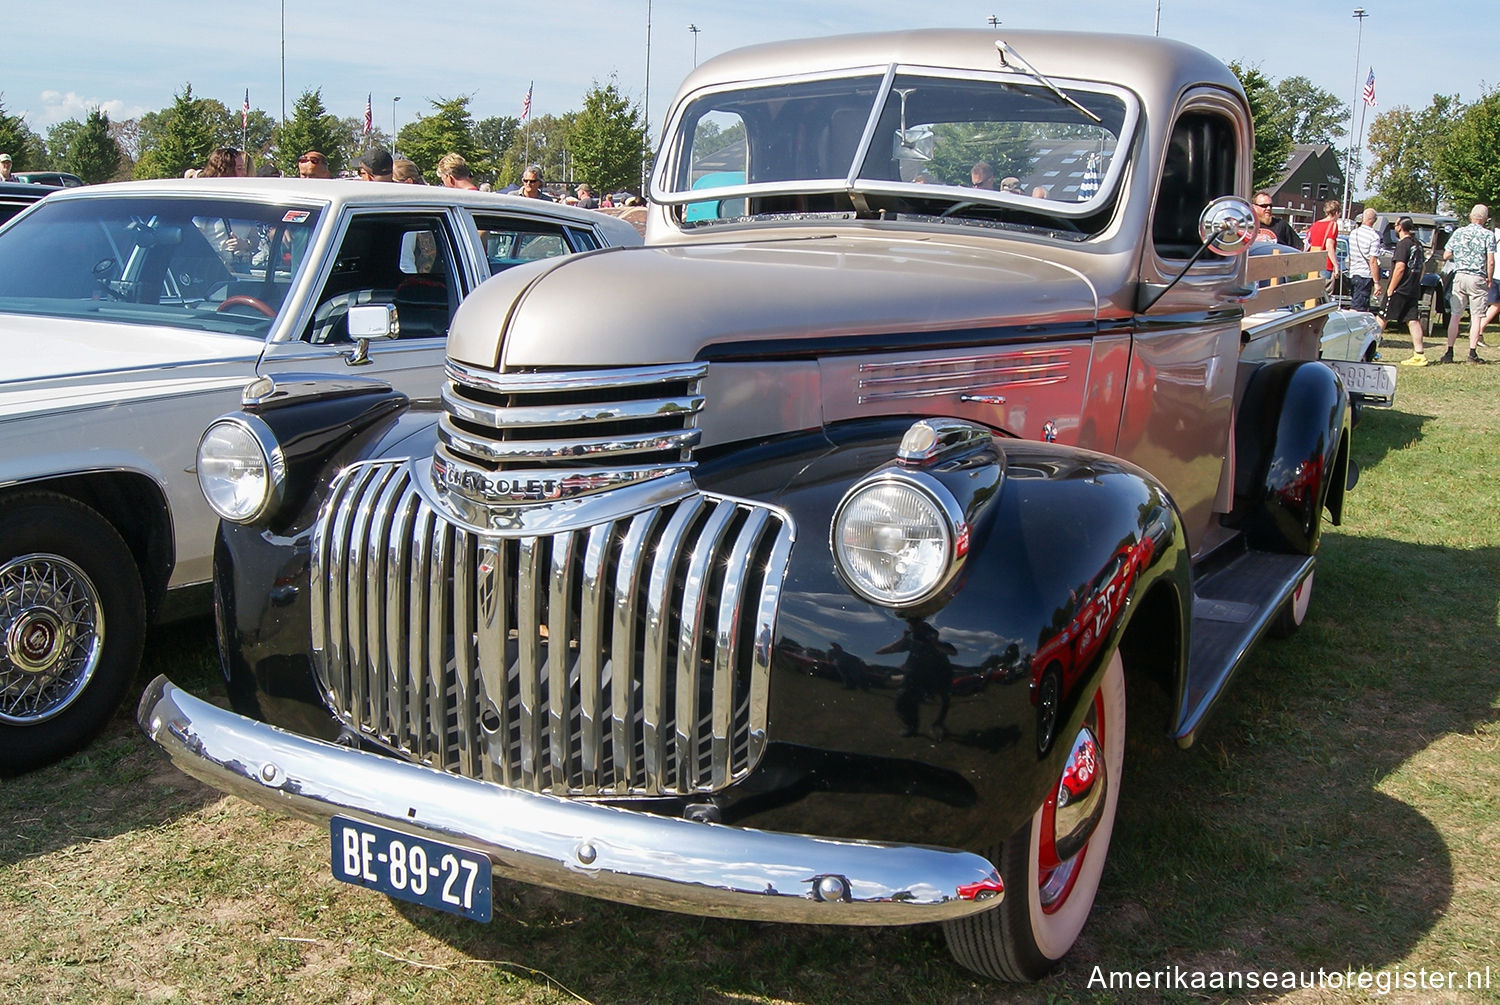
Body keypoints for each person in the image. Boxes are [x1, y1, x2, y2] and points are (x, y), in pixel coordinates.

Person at [1441, 203, 1494, 364]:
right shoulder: (1488, 235)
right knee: (1477, 316)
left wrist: (1460, 256)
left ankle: (1449, 351)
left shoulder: (1459, 232)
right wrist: (1489, 278)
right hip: (1477, 276)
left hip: (1460, 275)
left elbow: (1446, 254)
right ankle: (1472, 353)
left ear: (1471, 216)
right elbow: (1490, 261)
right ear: (1485, 219)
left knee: (1455, 315)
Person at [1388, 218, 1431, 366]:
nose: (1395, 227)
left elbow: (1400, 268)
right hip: (1413, 288)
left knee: (1382, 318)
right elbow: (1423, 267)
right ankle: (1419, 354)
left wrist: (1391, 288)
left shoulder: (1403, 244)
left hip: (1400, 288)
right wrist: (1415, 281)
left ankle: (1367, 349)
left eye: (1395, 224)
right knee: (1412, 320)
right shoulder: (1417, 244)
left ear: (1400, 227)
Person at [1347, 207, 1381, 313]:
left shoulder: (1353, 233)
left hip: (1353, 273)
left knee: (1358, 302)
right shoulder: (1374, 237)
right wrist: (1376, 282)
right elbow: (1373, 261)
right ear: (1374, 221)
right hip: (1364, 275)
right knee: (1358, 308)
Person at [1306, 199, 1341, 293]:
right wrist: (1336, 266)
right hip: (1325, 264)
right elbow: (1329, 245)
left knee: (1311, 294)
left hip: (1312, 263)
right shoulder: (1333, 225)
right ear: (1337, 212)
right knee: (1324, 295)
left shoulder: (1315, 224)